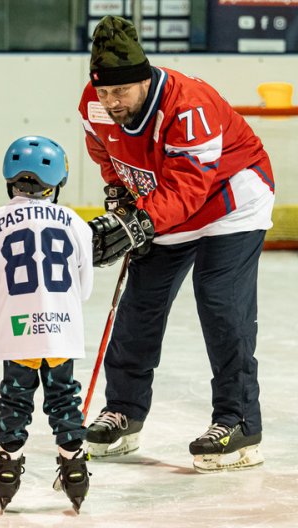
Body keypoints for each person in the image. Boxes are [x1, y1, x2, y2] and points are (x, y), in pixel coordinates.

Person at [78, 16, 274, 473]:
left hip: (230, 201)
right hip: (166, 205)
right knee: (140, 305)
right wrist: (123, 200)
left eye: (120, 92)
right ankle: (124, 411)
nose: (111, 101)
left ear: (143, 79)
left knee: (219, 301)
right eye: (103, 92)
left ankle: (239, 420)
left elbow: (190, 186)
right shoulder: (95, 103)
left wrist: (140, 222)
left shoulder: (189, 105)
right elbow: (106, 155)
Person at [0, 136, 94, 513]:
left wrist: (5, 306)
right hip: (61, 328)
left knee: (15, 398)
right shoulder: (73, 221)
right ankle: (74, 467)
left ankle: (7, 467)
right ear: (56, 182)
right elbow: (83, 283)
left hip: (18, 329)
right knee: (63, 396)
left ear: (10, 179)